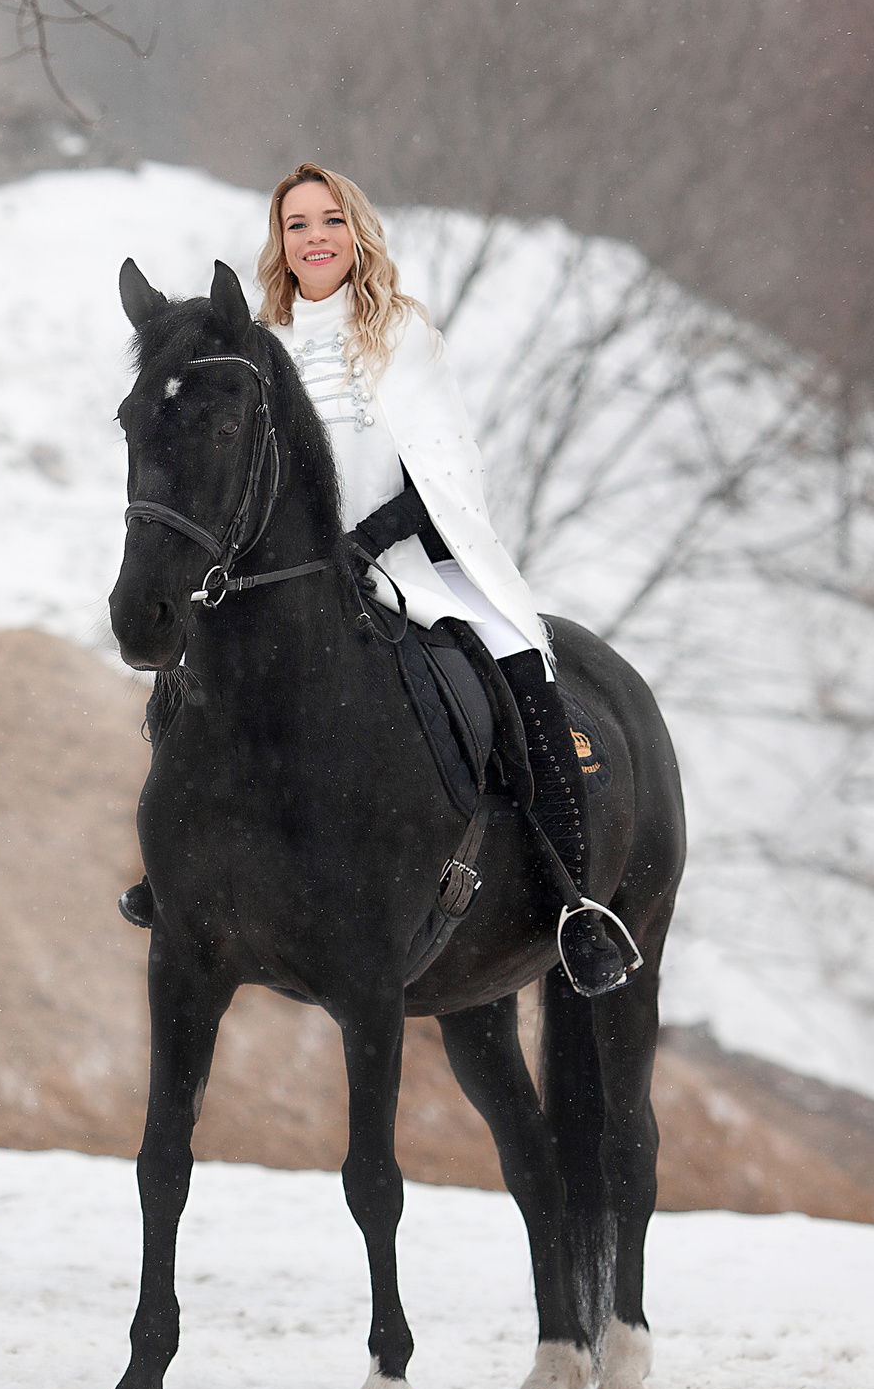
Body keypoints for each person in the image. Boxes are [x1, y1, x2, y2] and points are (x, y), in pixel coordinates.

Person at [119, 163, 641, 998]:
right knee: (197, 661)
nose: (314, 237)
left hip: (404, 559)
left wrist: (364, 541)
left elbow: (446, 473)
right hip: (288, 574)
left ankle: (575, 901)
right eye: (297, 225)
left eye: (330, 220)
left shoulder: (403, 336)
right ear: (279, 242)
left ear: (356, 231)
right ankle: (175, 866)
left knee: (519, 658)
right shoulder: (255, 346)